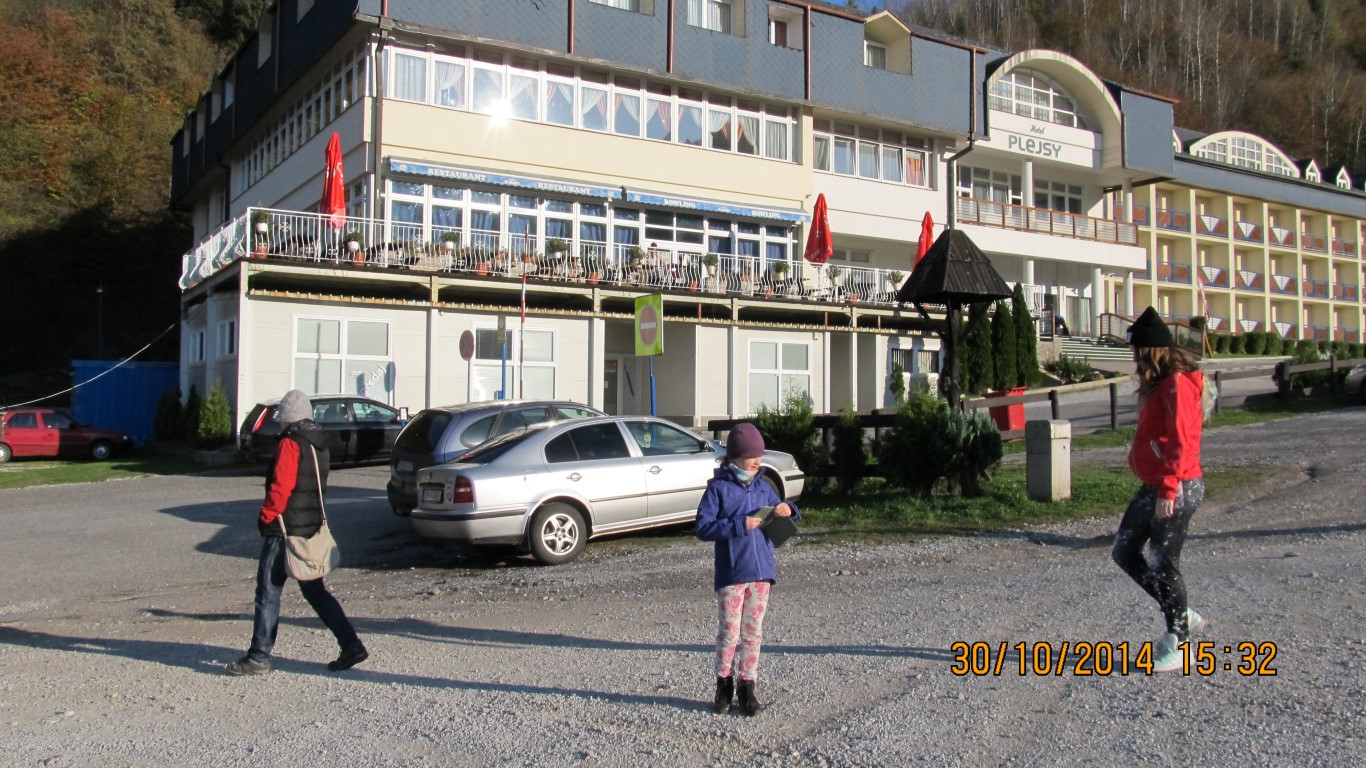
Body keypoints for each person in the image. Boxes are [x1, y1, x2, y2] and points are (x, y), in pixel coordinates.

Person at [226, 389, 368, 676]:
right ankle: (351, 645)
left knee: (268, 593)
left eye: (281, 416)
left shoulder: (290, 443)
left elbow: (281, 487)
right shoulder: (319, 444)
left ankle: (258, 657)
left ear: (288, 417)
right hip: (309, 529)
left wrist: (266, 516)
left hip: (284, 531)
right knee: (315, 591)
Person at [1111, 307, 1207, 673]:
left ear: (1149, 351)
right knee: (1124, 550)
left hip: (1177, 485)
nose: (1134, 360)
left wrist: (1168, 490)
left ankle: (1178, 643)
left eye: (1137, 352)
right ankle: (1182, 612)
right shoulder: (1161, 384)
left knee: (1163, 563)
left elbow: (1181, 442)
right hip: (1157, 484)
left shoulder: (1177, 385)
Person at [695, 423, 798, 716]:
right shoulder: (718, 489)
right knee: (730, 632)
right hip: (732, 573)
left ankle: (747, 686)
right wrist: (740, 524)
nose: (757, 461)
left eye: (759, 456)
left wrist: (789, 509)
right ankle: (723, 685)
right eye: (752, 456)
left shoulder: (764, 487)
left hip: (761, 572)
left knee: (753, 633)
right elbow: (703, 527)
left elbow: (786, 512)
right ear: (735, 457)